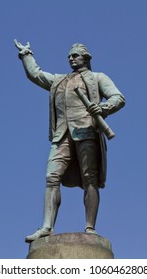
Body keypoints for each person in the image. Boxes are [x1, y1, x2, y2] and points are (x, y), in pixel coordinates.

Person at [14, 40, 125, 243]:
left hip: (87, 132)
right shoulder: (59, 80)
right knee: (51, 177)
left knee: (90, 179)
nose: (71, 58)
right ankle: (47, 226)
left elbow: (118, 97)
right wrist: (26, 55)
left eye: (75, 55)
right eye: (69, 56)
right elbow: (35, 74)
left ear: (86, 57)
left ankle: (90, 227)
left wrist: (104, 108)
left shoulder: (98, 77)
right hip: (62, 135)